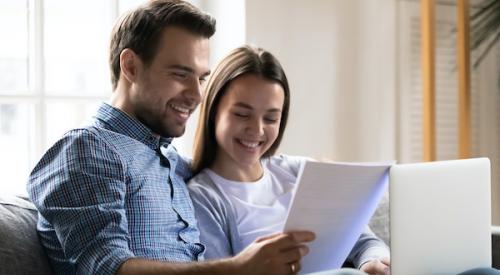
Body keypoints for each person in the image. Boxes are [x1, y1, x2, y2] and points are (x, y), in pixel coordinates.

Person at [26, 1, 315, 274]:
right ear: (130, 67)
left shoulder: (172, 161)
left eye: (201, 78)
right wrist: (237, 269)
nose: (197, 95)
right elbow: (107, 267)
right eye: (180, 74)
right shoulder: (88, 149)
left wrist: (316, 176)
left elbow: (248, 168)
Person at [187, 45, 391, 275]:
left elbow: (365, 242)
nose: (257, 129)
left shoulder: (300, 171)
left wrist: (372, 261)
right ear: (214, 110)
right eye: (242, 114)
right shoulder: (203, 197)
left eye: (271, 118)